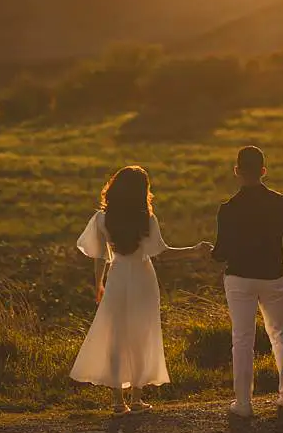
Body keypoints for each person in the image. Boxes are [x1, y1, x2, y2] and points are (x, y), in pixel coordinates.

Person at [70, 165, 211, 415]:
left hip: (118, 278)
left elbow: (100, 256)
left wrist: (98, 284)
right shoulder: (147, 219)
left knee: (116, 338)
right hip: (143, 279)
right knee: (141, 335)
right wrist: (195, 249)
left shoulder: (102, 218)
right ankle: (136, 398)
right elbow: (163, 252)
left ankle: (117, 401)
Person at [212, 145, 283, 420]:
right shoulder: (281, 201)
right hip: (273, 277)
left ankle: (243, 403)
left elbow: (221, 254)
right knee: (281, 335)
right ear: (264, 171)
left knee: (242, 340)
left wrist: (210, 253)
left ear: (237, 171)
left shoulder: (227, 209)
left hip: (239, 279)